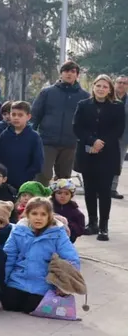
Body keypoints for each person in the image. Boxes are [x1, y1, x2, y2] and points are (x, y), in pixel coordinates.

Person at [2, 197, 80, 314]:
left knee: (32, 307)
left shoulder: (58, 233)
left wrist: (64, 286)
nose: (38, 218)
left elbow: (71, 259)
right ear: (27, 214)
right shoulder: (19, 231)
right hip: (18, 279)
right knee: (9, 304)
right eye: (34, 213)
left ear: (49, 216)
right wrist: (2, 281)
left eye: (43, 214)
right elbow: (8, 257)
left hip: (43, 283)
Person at [73, 74, 125, 241]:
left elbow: (118, 129)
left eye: (105, 86)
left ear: (110, 89)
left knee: (104, 191)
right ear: (93, 87)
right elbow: (77, 127)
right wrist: (91, 141)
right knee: (89, 190)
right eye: (98, 86)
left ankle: (103, 226)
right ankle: (92, 223)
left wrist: (101, 143)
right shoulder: (83, 105)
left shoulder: (117, 106)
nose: (101, 89)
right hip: (87, 153)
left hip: (108, 154)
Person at [31, 61, 89, 184]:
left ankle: (60, 197)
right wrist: (30, 134)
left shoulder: (84, 96)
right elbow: (35, 115)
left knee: (64, 178)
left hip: (70, 143)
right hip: (47, 141)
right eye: (66, 71)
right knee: (43, 174)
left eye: (73, 71)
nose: (69, 74)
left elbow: (87, 121)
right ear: (61, 73)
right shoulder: (47, 92)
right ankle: (40, 196)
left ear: (77, 75)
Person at [0, 101, 44, 191]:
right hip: (6, 181)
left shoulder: (34, 137)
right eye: (13, 114)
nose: (16, 118)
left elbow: (38, 162)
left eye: (20, 115)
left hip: (25, 181)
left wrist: (27, 176)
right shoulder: (4, 135)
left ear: (28, 117)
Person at [50, 178, 85, 243]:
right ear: (54, 194)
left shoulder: (74, 210)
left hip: (67, 241)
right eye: (59, 193)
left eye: (66, 194)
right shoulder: (48, 207)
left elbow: (81, 229)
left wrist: (69, 224)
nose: (62, 196)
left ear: (71, 196)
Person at [112, 74, 128, 199]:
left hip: (123, 138)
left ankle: (112, 189)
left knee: (117, 163)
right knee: (101, 163)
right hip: (105, 136)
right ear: (115, 84)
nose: (121, 85)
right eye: (119, 82)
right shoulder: (107, 98)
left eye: (124, 83)